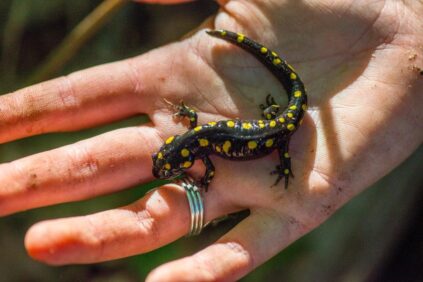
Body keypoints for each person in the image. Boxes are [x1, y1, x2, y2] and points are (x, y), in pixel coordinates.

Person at [0, 0, 422, 281]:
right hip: (279, 120)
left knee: (282, 127)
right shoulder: (196, 138)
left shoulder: (199, 145)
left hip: (283, 125)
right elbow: (201, 140)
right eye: (168, 163)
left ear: (178, 153)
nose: (167, 163)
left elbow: (206, 156)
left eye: (168, 162)